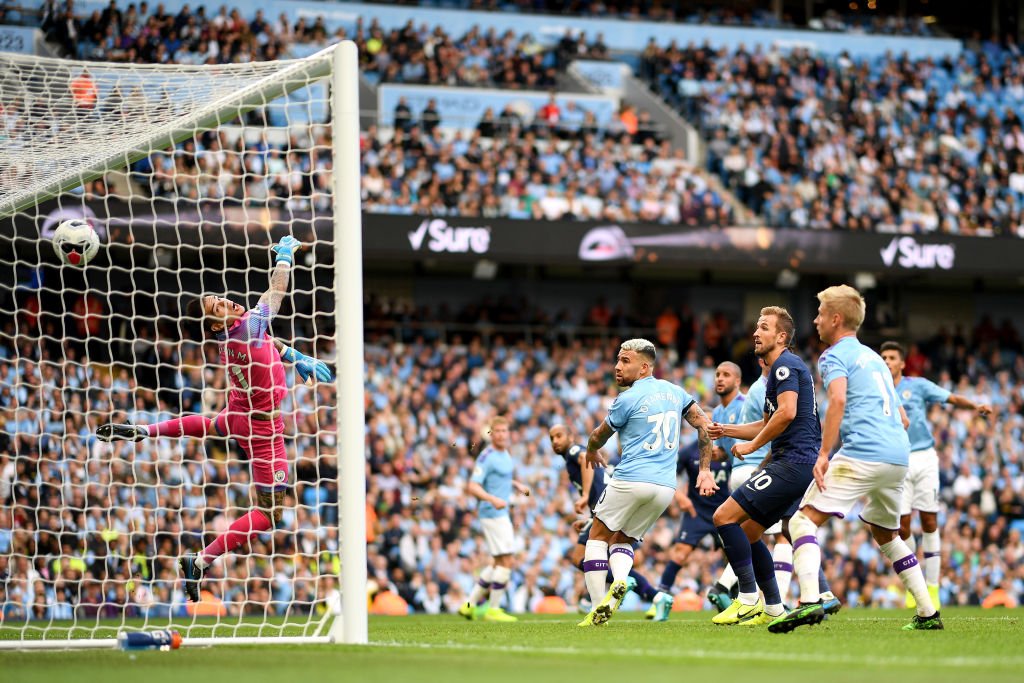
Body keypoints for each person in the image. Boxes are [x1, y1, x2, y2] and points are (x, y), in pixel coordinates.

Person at [96, 235, 333, 602]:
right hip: (263, 430)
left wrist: (295, 356)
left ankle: (146, 429)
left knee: (209, 423)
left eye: (220, 298)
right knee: (271, 515)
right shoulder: (246, 330)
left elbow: (268, 339)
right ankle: (202, 560)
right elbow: (277, 290)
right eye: (218, 307)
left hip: (239, 411)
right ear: (217, 325)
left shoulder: (238, 335)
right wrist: (284, 256)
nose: (225, 301)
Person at [770, 286, 943, 633]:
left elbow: (837, 400)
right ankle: (927, 612)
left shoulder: (833, 356)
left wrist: (823, 454)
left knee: (802, 522)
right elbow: (904, 418)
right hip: (898, 456)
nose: (815, 320)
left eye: (819, 313)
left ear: (835, 319)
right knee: (885, 532)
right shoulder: (875, 359)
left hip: (864, 452)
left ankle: (809, 601)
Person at [577, 338, 715, 627]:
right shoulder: (675, 391)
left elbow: (598, 436)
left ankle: (595, 606)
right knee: (623, 540)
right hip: (664, 488)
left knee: (597, 538)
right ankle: (619, 589)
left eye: (625, 361)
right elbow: (704, 424)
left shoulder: (627, 398)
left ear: (643, 368)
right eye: (617, 360)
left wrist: (590, 450)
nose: (617, 366)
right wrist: (704, 469)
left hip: (631, 478)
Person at [706, 306, 821, 627]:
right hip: (798, 464)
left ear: (781, 337)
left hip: (792, 462)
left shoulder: (784, 365)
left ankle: (746, 599)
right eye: (756, 327)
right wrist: (726, 431)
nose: (756, 333)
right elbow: (769, 421)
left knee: (723, 517)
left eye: (764, 327)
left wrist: (753, 447)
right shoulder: (781, 371)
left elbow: (786, 414)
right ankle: (773, 607)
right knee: (750, 530)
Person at [881, 341, 991, 610]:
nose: (886, 361)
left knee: (929, 521)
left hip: (925, 457)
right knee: (903, 527)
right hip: (897, 460)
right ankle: (913, 585)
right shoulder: (876, 389)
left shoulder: (916, 385)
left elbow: (950, 398)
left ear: (902, 362)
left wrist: (975, 405)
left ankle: (932, 586)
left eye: (892, 357)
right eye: (883, 357)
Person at [646, 363, 737, 621]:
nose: (705, 428)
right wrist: (681, 497)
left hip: (725, 510)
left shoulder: (730, 451)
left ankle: (736, 598)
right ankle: (660, 597)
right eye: (702, 423)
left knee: (738, 554)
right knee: (680, 553)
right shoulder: (688, 452)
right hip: (697, 512)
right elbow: (669, 475)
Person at [548, 424, 659, 611]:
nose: (555, 441)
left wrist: (584, 496)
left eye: (559, 436)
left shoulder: (575, 450)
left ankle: (616, 586)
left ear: (570, 436)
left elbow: (585, 460)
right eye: (551, 438)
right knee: (606, 557)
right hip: (604, 509)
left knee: (581, 557)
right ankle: (653, 596)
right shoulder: (571, 457)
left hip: (605, 509)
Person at [460, 416, 532, 623]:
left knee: (497, 562)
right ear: (491, 433)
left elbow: (500, 477)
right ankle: (493, 609)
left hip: (499, 512)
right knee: (507, 560)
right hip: (493, 513)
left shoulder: (504, 454)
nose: (501, 434)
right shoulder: (486, 456)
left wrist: (516, 484)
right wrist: (493, 499)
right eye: (497, 431)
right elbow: (472, 486)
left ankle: (468, 605)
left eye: (504, 431)